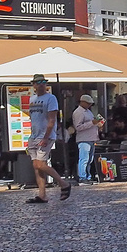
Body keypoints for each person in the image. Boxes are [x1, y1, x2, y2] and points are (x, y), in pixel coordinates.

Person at [25, 75, 72, 203]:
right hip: (34, 135)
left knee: (41, 164)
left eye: (43, 82)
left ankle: (63, 183)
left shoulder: (51, 98)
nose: (41, 84)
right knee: (36, 165)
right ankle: (42, 195)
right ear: (33, 85)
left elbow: (52, 119)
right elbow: (33, 118)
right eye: (38, 82)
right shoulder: (32, 99)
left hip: (45, 135)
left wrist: (46, 137)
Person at [71, 94, 102, 183]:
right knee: (84, 159)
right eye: (88, 103)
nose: (89, 105)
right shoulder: (78, 112)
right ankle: (82, 177)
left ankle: (87, 176)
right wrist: (92, 123)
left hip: (91, 138)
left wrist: (98, 125)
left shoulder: (88, 111)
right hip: (84, 139)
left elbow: (91, 123)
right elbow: (78, 127)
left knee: (89, 159)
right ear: (82, 102)